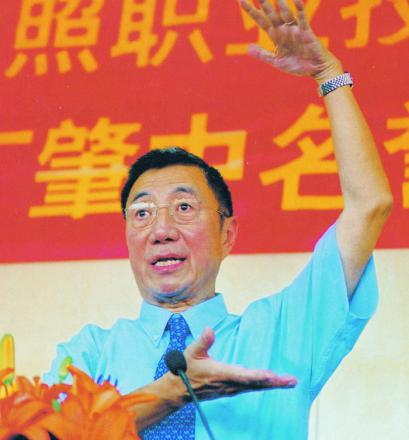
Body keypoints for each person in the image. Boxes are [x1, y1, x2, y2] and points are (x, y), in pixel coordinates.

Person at [43, 0, 393, 438]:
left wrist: (328, 75)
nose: (161, 230)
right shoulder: (90, 353)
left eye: (184, 208)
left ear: (228, 234)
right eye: (142, 213)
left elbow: (370, 205)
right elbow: (49, 434)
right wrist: (174, 391)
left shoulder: (282, 332)